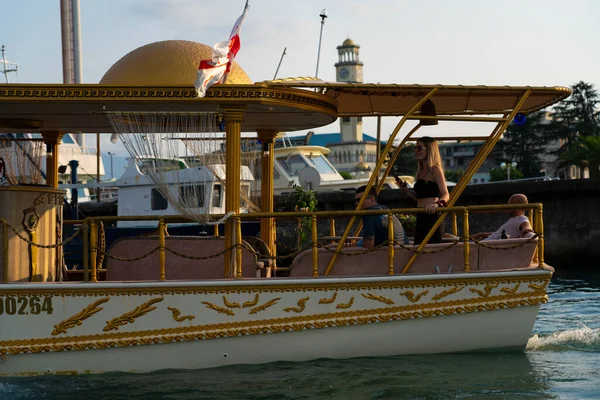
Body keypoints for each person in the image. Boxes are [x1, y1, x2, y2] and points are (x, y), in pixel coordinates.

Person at [396, 137, 450, 245]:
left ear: (429, 150)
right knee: (418, 247)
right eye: (415, 148)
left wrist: (437, 204)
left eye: (419, 148)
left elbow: (446, 194)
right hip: (421, 215)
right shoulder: (420, 171)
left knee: (431, 248)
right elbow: (419, 198)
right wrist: (406, 190)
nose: (416, 151)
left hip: (432, 215)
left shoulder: (435, 169)